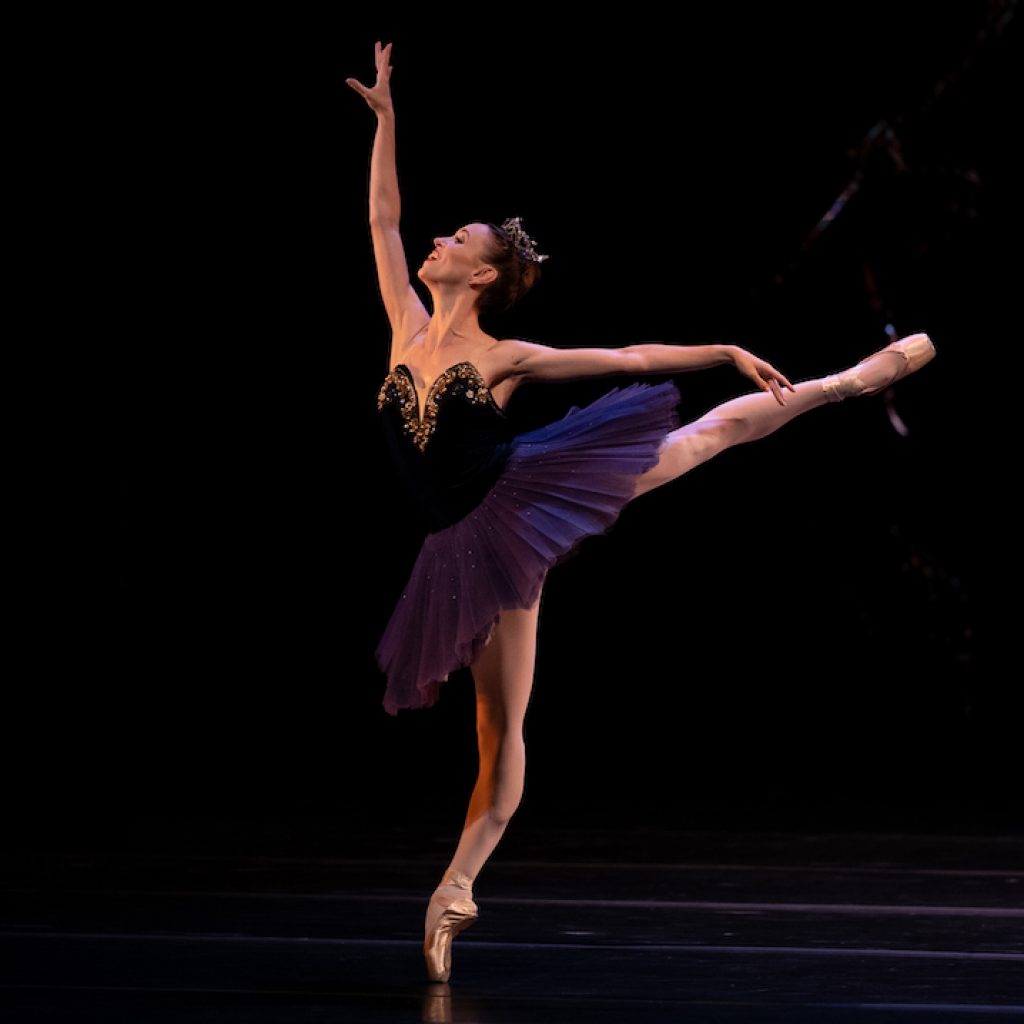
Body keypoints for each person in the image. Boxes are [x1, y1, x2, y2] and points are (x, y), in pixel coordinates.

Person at [347, 40, 936, 984]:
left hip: (518, 506)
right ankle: (458, 892)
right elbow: (382, 218)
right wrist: (386, 121)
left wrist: (723, 348)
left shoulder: (507, 355)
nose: (437, 243)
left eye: (457, 240)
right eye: (445, 234)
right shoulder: (402, 324)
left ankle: (841, 382)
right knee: (494, 736)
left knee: (695, 443)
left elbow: (624, 358)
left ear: (485, 275)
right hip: (452, 546)